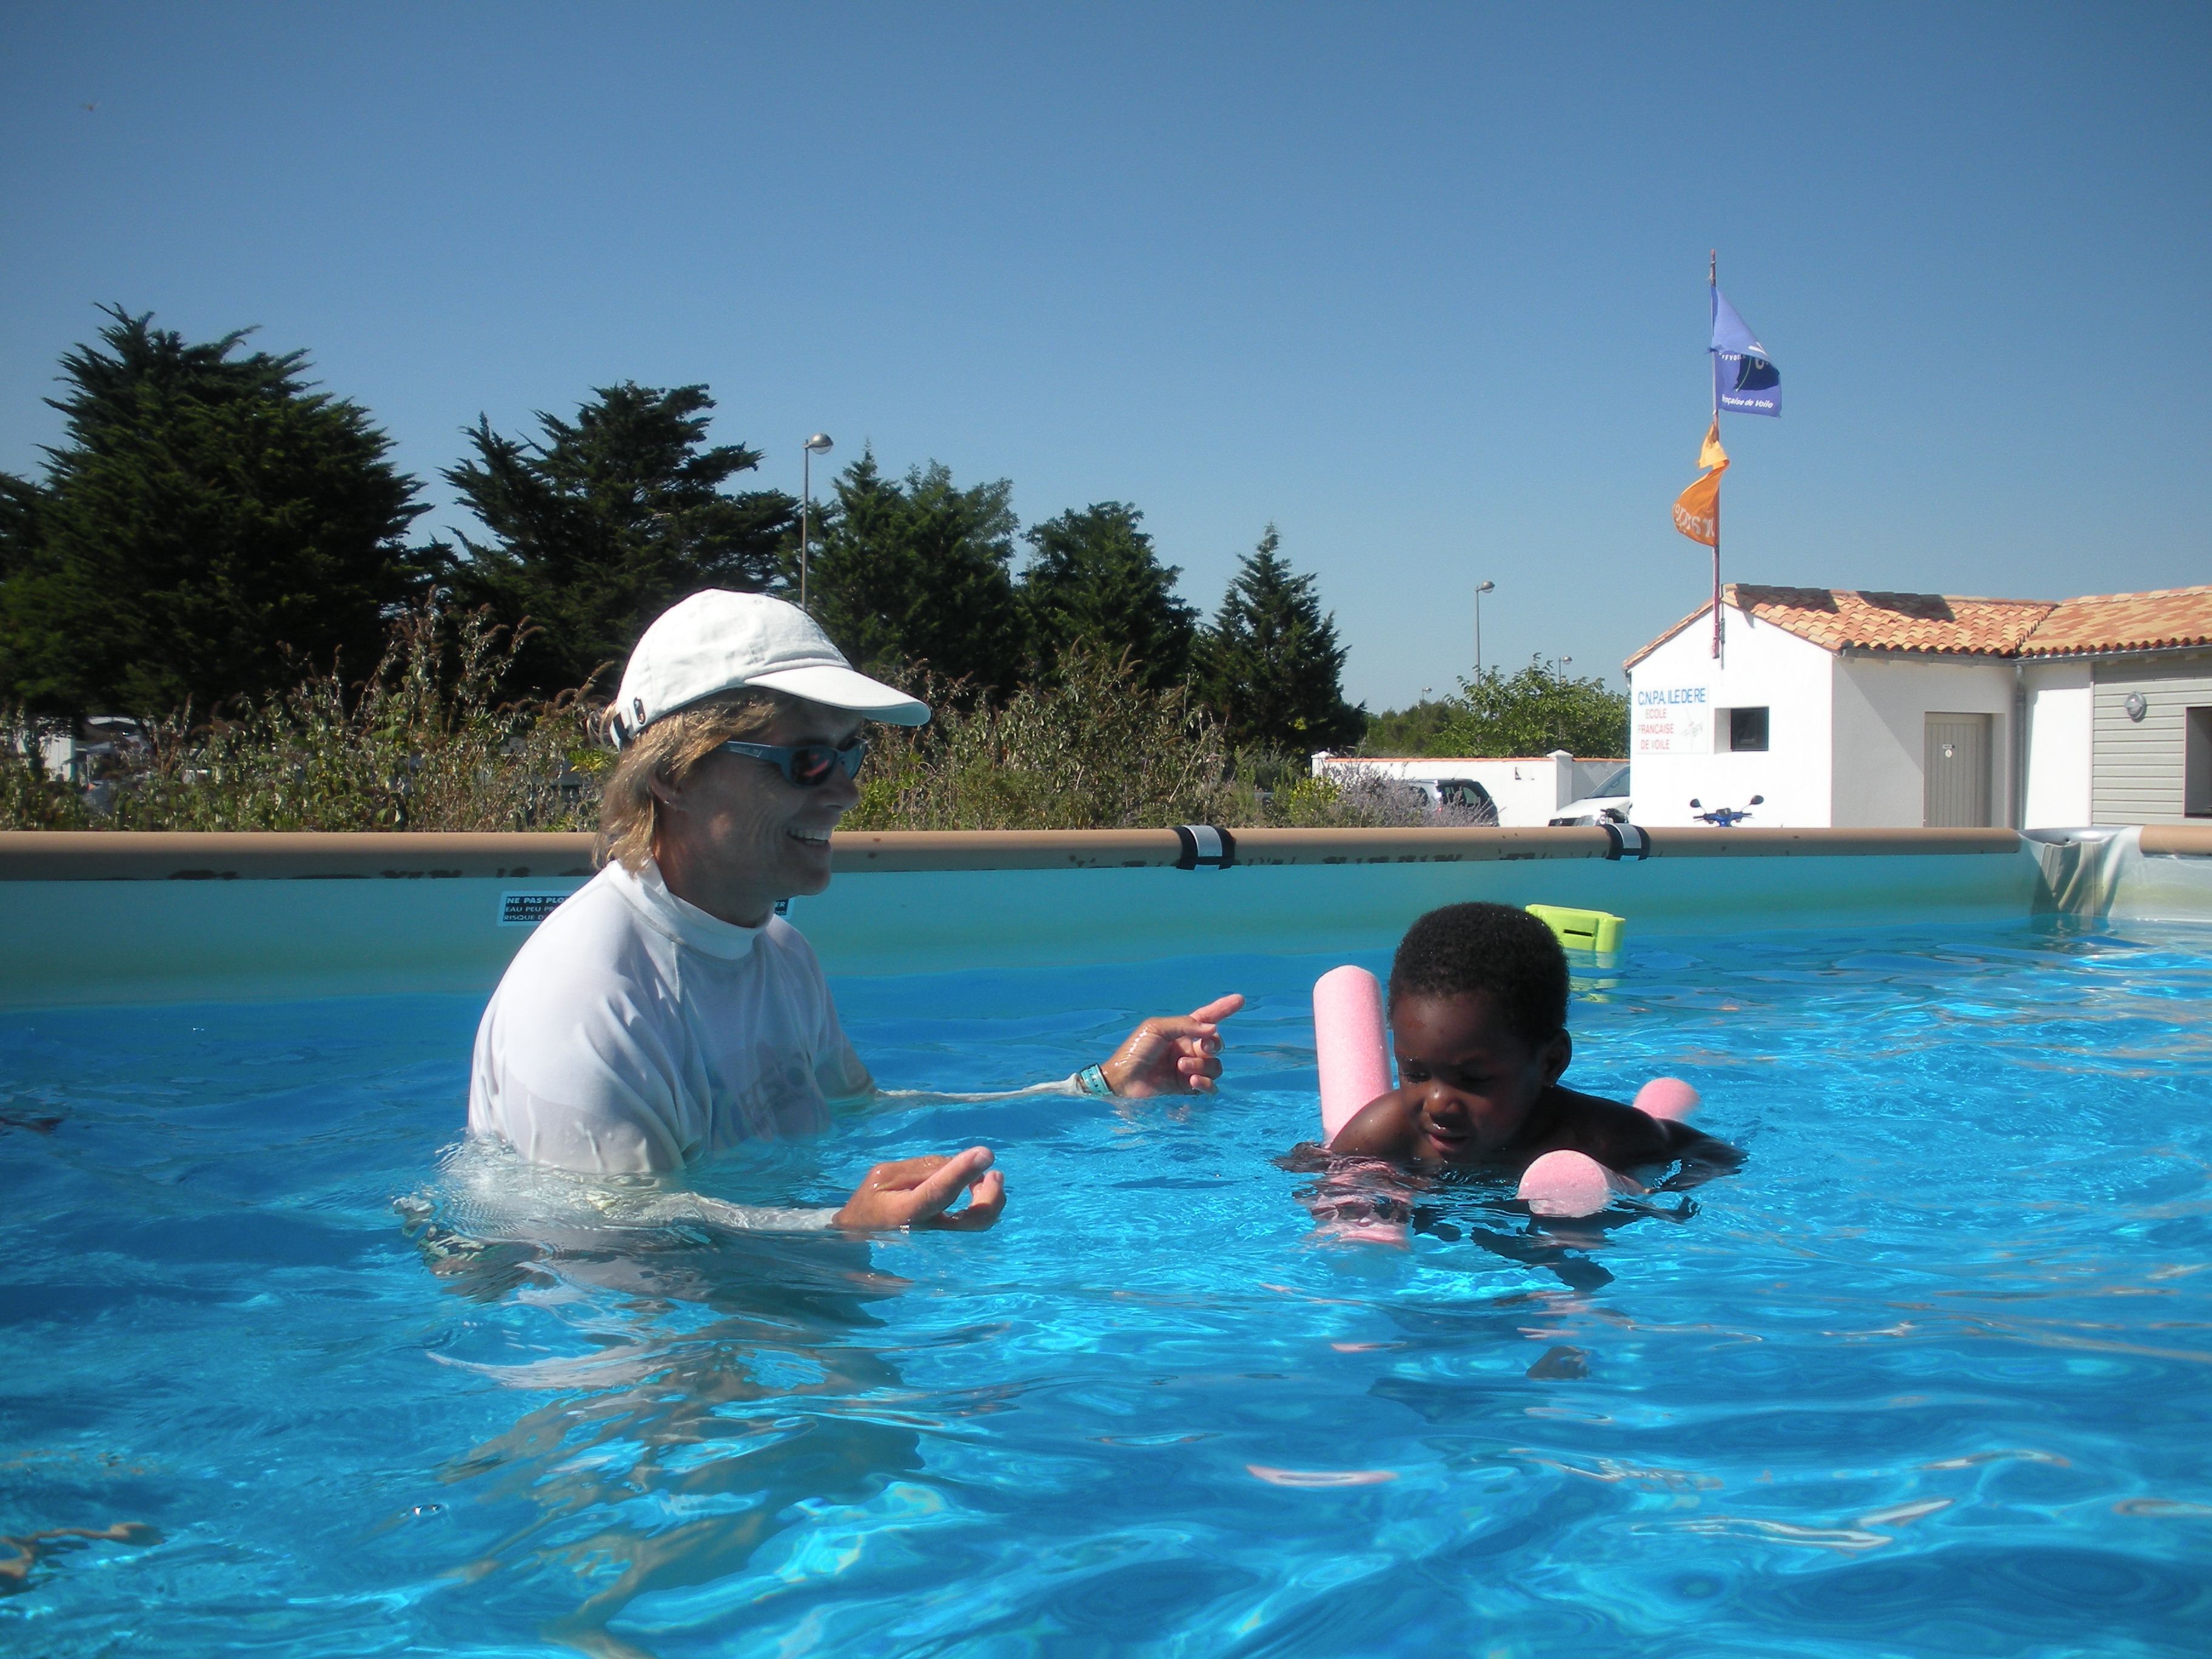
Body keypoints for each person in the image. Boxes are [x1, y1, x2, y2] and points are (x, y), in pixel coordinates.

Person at [468, 590, 1242, 1231]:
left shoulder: (779, 954)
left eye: (851, 753)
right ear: (673, 774)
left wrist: (1096, 1088)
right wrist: (838, 1234)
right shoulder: (589, 1002)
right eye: (806, 760)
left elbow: (862, 1115)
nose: (845, 789)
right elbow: (607, 1257)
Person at [1325, 902, 1736, 1179]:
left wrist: (1654, 1197)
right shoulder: (1386, 1132)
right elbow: (1310, 1173)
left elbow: (1713, 1156)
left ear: (1550, 1063)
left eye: (1473, 1079)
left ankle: (1668, 1096)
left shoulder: (1596, 1137)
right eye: (1415, 1073)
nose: (1437, 1104)